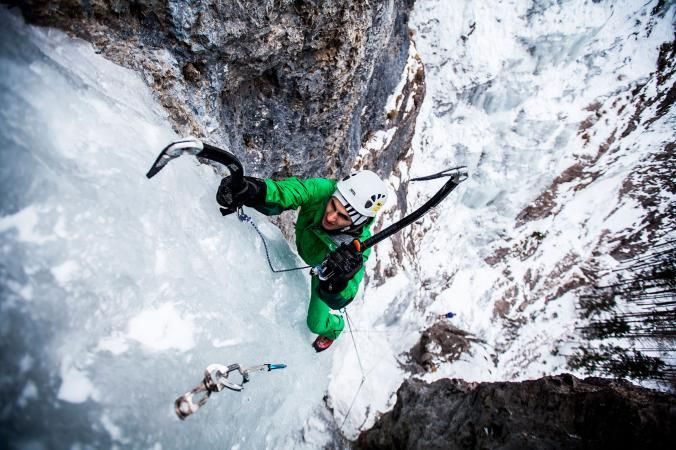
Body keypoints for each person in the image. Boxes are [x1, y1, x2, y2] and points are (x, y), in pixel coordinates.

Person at [216, 171, 388, 352]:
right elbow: (290, 192)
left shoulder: (358, 248)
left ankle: (335, 328)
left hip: (325, 273)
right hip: (315, 258)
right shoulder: (323, 190)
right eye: (333, 205)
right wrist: (255, 190)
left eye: (343, 216)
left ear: (357, 223)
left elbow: (345, 295)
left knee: (316, 324)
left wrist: (335, 284)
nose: (330, 217)